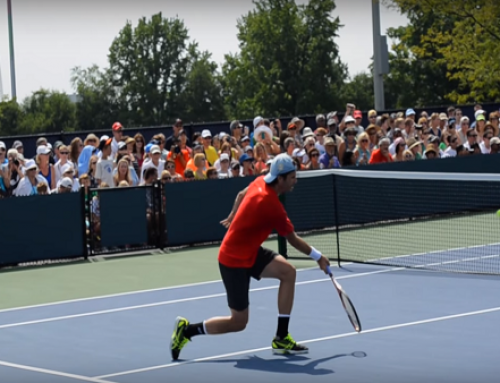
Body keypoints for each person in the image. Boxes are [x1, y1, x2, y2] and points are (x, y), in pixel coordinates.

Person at [169, 153, 331, 361]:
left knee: (288, 272)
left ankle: (281, 337)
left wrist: (232, 217)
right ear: (280, 179)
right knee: (238, 322)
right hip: (233, 260)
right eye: (292, 177)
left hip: (250, 251)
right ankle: (187, 330)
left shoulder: (260, 180)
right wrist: (318, 257)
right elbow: (292, 239)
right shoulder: (272, 205)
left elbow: (240, 194)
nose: (295, 182)